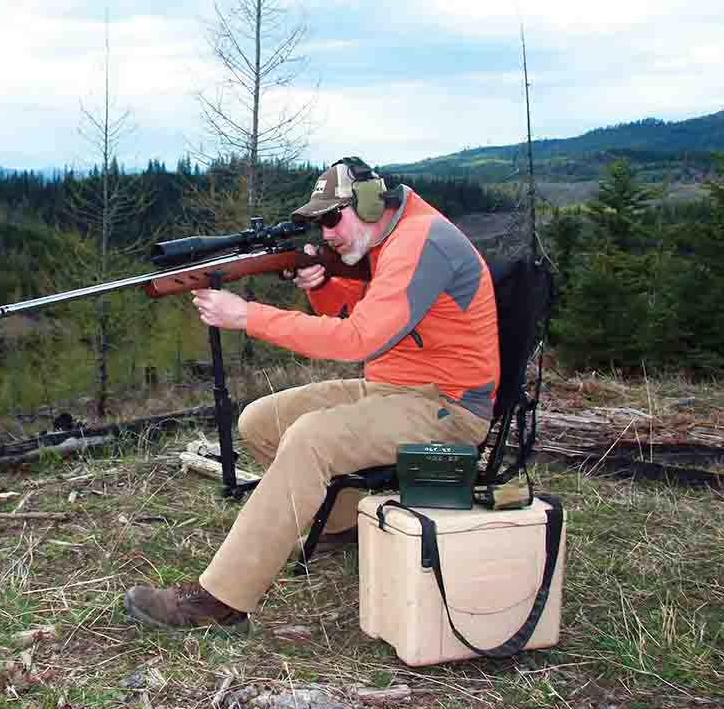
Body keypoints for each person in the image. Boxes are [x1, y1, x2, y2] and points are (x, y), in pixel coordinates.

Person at [123, 156, 500, 631]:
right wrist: (323, 287)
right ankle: (343, 527)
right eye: (318, 223)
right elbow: (368, 314)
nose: (325, 234)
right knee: (261, 421)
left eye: (330, 219)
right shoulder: (388, 236)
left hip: (447, 408)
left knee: (311, 438)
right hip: (393, 389)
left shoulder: (421, 241)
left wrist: (247, 317)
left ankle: (221, 599)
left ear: (368, 203)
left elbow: (360, 338)